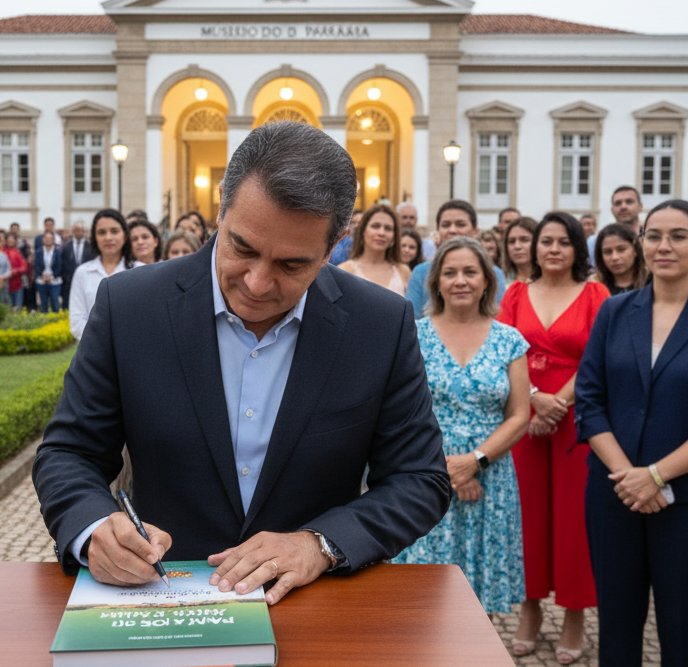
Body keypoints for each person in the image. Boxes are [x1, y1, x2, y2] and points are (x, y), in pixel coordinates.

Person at [34, 121, 450, 607]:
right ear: (220, 211)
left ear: (335, 242)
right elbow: (69, 451)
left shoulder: (379, 323)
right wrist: (94, 526)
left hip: (311, 607)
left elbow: (419, 479)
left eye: (292, 265)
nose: (256, 283)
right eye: (242, 248)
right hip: (161, 597)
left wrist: (319, 544)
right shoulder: (130, 306)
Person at [575, 199, 688, 667]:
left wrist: (655, 476)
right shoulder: (614, 312)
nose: (664, 246)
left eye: (678, 236)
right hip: (613, 496)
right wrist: (630, 478)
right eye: (654, 235)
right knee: (616, 628)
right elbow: (590, 402)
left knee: (686, 633)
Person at [495, 211, 610, 664]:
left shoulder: (595, 293)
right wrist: (535, 399)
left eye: (564, 241)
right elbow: (502, 349)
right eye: (546, 241)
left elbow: (598, 355)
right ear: (533, 247)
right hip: (523, 415)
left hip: (578, 419)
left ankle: (576, 614)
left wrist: (558, 401)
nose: (554, 249)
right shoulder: (516, 293)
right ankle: (529, 609)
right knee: (527, 516)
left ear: (578, 248)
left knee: (573, 519)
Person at [394, 236, 531, 613]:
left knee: (478, 599)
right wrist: (449, 469)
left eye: (470, 272)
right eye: (450, 272)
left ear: (487, 280)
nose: (460, 281)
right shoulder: (411, 336)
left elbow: (520, 415)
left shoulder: (509, 340)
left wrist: (476, 461)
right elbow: (399, 414)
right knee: (423, 595)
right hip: (423, 477)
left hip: (490, 479)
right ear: (435, 281)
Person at [406, 200, 508, 315]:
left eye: (461, 225)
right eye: (445, 225)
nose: (452, 230)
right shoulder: (421, 272)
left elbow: (496, 315)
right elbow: (412, 320)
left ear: (475, 231)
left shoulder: (494, 273)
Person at [68, 209, 141, 340]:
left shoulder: (141, 270)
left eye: (114, 231)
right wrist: (101, 344)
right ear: (95, 238)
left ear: (125, 236)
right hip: (94, 351)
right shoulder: (82, 273)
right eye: (102, 232)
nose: (108, 237)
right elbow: (77, 320)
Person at [338, 203, 409, 296]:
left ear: (394, 236)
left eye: (388, 228)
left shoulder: (403, 271)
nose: (381, 233)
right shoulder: (344, 271)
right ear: (363, 231)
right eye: (375, 226)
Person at [588, 186, 644, 261]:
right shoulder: (594, 242)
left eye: (629, 202)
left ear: (640, 206)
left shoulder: (651, 237)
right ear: (612, 209)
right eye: (618, 203)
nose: (623, 207)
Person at [593, 224, 646, 295]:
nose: (615, 257)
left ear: (635, 250)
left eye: (621, 250)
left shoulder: (653, 282)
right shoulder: (594, 287)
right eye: (608, 252)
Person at [60, 220, 92, 310]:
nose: (78, 232)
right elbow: (62, 263)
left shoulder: (89, 246)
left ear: (84, 231)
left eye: (80, 230)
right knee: (68, 303)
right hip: (69, 280)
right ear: (73, 231)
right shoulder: (66, 247)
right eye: (76, 230)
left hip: (86, 279)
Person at [34, 228, 63, 313]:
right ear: (43, 240)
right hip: (41, 280)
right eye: (46, 238)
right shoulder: (38, 252)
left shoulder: (58, 252)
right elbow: (36, 266)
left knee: (55, 301)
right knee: (43, 303)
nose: (48, 240)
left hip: (55, 280)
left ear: (53, 240)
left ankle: (56, 322)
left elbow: (59, 266)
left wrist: (52, 276)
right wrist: (43, 275)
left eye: (50, 238)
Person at [502, 216, 537, 285]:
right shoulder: (499, 282)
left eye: (524, 240)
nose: (517, 246)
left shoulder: (551, 281)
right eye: (512, 241)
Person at [3, 232, 29, 311]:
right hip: (5, 284)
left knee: (18, 308)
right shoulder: (1, 252)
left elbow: (24, 267)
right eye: (9, 240)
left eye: (13, 240)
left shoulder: (17, 252)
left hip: (17, 284)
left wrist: (15, 271)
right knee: (7, 308)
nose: (11, 242)